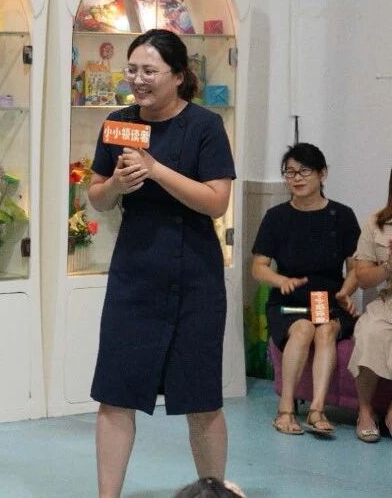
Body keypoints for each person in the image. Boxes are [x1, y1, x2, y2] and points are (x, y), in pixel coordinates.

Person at [87, 30, 236, 498]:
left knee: (201, 397)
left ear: (178, 75)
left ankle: (213, 491)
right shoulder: (118, 122)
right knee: (116, 393)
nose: (138, 80)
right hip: (135, 270)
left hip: (195, 273)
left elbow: (216, 201)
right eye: (132, 70)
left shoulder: (205, 125)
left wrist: (155, 169)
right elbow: (97, 197)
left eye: (149, 71)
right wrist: (117, 186)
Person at [250, 143, 359, 435]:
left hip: (329, 300)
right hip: (289, 302)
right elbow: (258, 267)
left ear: (322, 174)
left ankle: (317, 410)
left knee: (326, 330)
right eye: (290, 172)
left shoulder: (342, 216)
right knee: (302, 329)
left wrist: (346, 291)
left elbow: (355, 268)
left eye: (304, 171)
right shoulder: (276, 217)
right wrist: (280, 281)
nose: (296, 178)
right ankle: (285, 410)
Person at [343, 167, 392, 443]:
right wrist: (388, 266)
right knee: (371, 332)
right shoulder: (376, 222)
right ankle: (365, 411)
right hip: (388, 301)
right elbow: (362, 278)